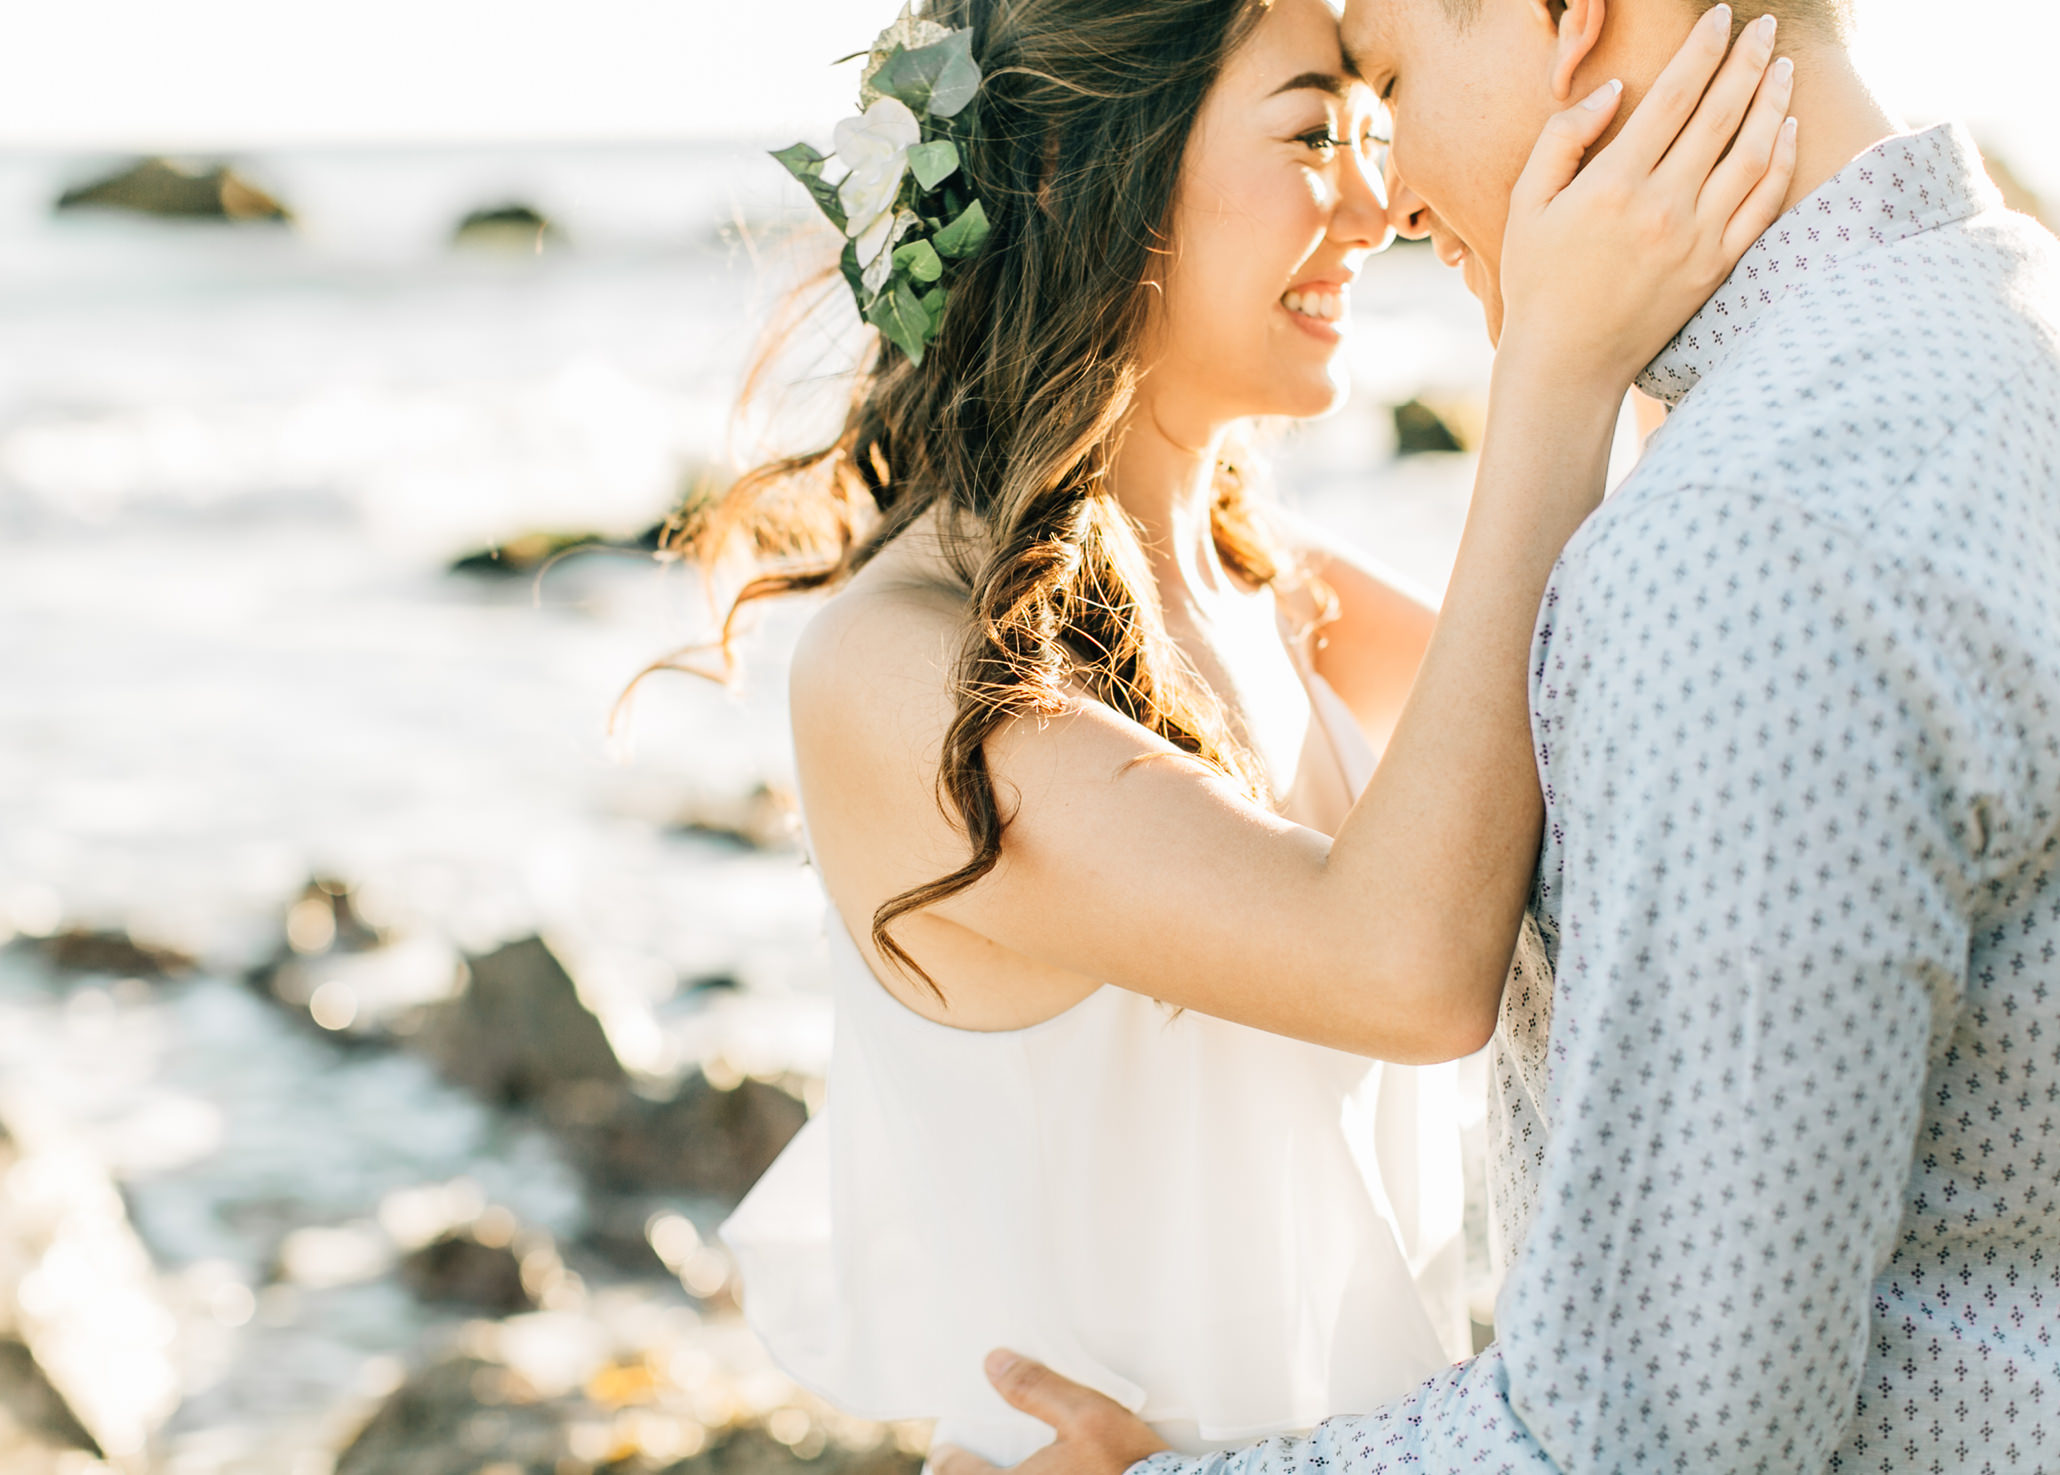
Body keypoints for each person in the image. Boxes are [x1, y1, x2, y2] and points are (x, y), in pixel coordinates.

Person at [918, 0, 2060, 1471]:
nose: (1383, 199)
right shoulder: (2006, 322)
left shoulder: (1736, 547)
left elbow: (1659, 1439)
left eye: (1386, 83)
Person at [702, 0, 1795, 1462]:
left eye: (1369, 126)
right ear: (1080, 178)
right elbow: (1402, 966)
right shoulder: (900, 672)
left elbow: (1633, 690)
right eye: (1308, 130)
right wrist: (1558, 357)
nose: (1374, 198)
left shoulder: (1278, 589)